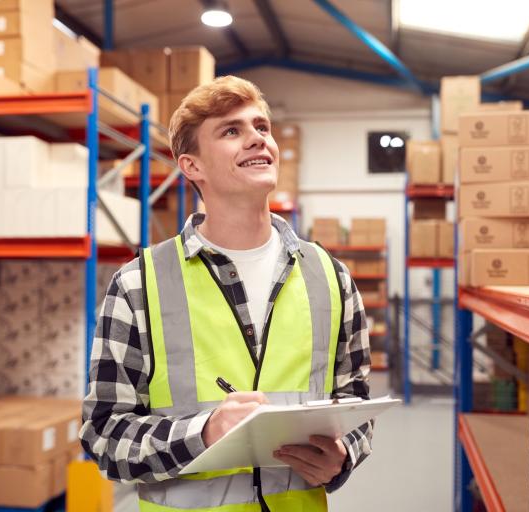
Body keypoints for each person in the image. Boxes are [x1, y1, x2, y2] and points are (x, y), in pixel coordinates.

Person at [80, 75, 373, 511]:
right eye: (231, 131)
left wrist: (343, 455)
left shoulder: (330, 276)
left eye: (262, 127)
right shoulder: (139, 284)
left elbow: (356, 402)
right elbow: (103, 436)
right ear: (192, 166)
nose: (257, 139)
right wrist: (206, 432)